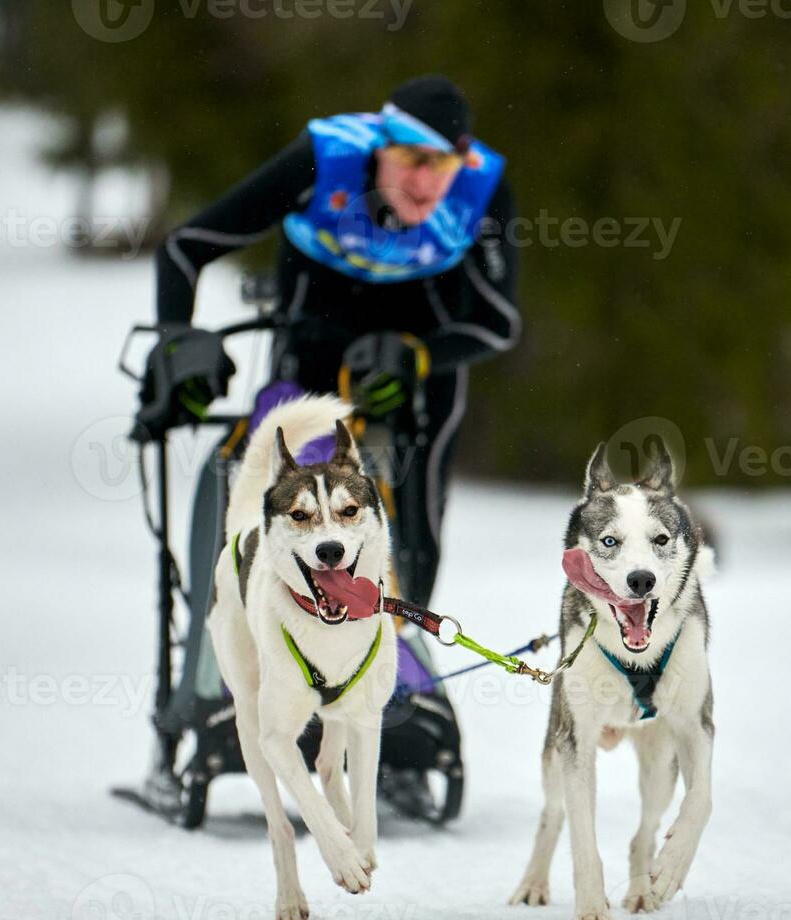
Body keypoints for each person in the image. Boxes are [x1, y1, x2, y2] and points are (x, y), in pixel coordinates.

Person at [155, 74, 521, 607]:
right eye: (414, 160)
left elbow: (499, 322)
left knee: (423, 485)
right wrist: (177, 343)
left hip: (416, 341)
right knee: (280, 470)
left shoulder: (481, 188)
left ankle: (402, 632)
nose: (425, 183)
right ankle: (247, 618)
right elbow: (185, 248)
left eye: (442, 165)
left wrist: (420, 357)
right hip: (319, 324)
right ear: (381, 146)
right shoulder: (327, 158)